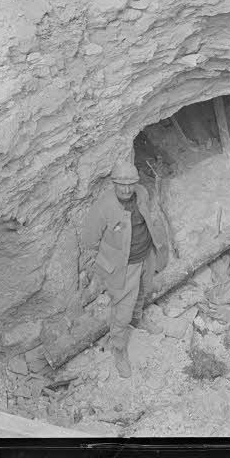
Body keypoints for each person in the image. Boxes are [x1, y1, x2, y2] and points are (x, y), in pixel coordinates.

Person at [79, 159, 175, 378]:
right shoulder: (103, 207)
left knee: (143, 292)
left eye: (130, 183)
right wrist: (109, 260)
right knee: (122, 312)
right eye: (121, 184)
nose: (126, 189)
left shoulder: (141, 193)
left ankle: (137, 320)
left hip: (146, 256)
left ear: (136, 182)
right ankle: (119, 349)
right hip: (124, 266)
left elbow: (147, 218)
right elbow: (89, 240)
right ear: (113, 183)